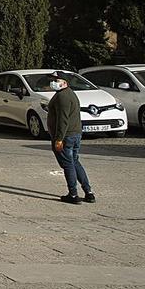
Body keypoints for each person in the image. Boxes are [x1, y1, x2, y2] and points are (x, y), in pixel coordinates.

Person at [48, 75, 95, 204]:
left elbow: (63, 120)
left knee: (68, 164)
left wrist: (59, 139)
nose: (53, 83)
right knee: (74, 162)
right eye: (52, 81)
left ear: (65, 83)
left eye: (56, 81)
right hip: (75, 134)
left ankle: (73, 194)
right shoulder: (69, 94)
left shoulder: (63, 96)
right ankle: (88, 192)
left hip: (66, 136)